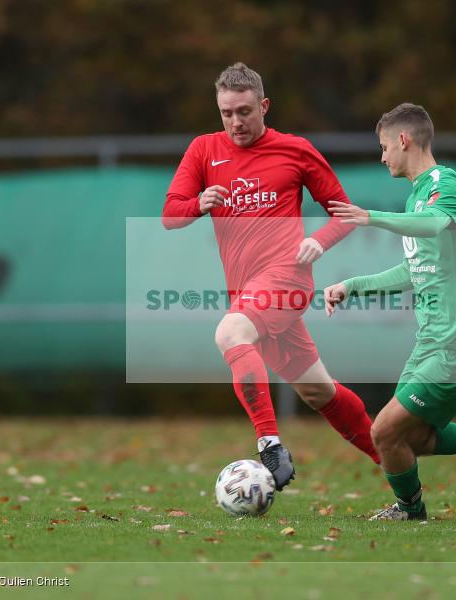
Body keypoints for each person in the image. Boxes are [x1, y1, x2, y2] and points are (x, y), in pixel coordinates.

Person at [162, 63, 379, 489]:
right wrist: (198, 203)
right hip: (247, 292)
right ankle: (395, 459)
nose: (235, 122)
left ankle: (270, 445)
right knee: (318, 393)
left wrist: (320, 240)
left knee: (229, 334)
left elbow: (346, 214)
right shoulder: (204, 150)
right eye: (226, 113)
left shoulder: (294, 149)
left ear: (264, 106)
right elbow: (171, 214)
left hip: (288, 280)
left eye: (244, 111)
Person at [324, 104, 456, 521]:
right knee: (412, 439)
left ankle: (411, 511)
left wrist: (372, 218)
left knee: (383, 431)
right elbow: (413, 270)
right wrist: (352, 287)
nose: (382, 156)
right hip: (430, 342)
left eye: (384, 147)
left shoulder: (446, 183)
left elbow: (437, 224)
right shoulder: (416, 196)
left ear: (403, 140)